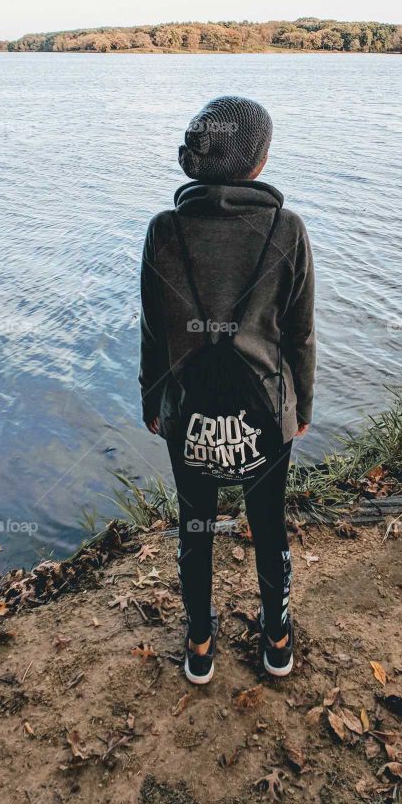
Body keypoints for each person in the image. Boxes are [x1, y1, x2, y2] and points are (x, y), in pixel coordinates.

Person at [139, 95, 316, 685]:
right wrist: (303, 408)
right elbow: (300, 334)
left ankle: (199, 644)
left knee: (196, 527)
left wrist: (150, 400)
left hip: (187, 409)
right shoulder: (286, 229)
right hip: (267, 411)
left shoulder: (164, 230)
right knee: (269, 524)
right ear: (257, 162)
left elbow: (153, 329)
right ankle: (277, 639)